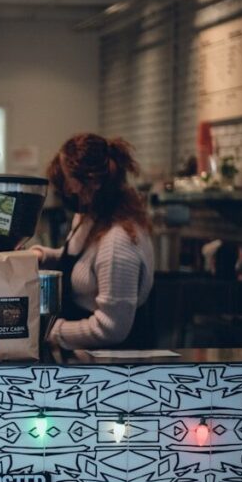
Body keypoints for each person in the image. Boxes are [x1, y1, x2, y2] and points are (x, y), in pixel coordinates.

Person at [34, 132, 154, 351]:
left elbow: (111, 329)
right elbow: (83, 264)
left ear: (93, 183)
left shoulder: (118, 242)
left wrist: (50, 331)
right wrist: (44, 256)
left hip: (111, 365)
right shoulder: (88, 218)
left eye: (67, 180)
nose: (66, 190)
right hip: (83, 355)